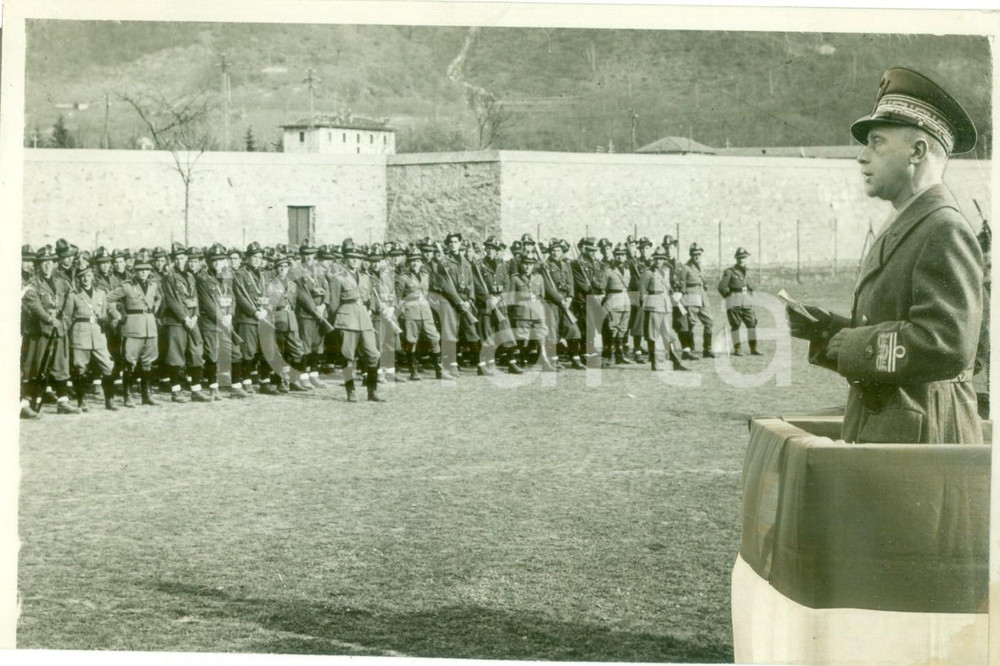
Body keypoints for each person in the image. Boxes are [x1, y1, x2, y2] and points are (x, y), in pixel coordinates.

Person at [786, 66, 984, 444]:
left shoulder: (943, 228)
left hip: (926, 430)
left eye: (876, 142)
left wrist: (857, 343)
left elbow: (950, 343)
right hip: (898, 424)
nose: (862, 157)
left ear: (917, 151)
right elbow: (895, 322)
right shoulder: (909, 222)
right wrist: (829, 330)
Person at [23, 244, 77, 414]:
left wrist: (64, 322)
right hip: (40, 331)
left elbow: (69, 304)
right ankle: (25, 403)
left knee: (61, 366)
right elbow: (34, 304)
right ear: (38, 264)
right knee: (35, 367)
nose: (47, 265)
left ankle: (62, 402)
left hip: (59, 330)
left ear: (54, 263)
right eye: (43, 262)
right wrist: (49, 319)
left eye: (50, 262)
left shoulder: (62, 282)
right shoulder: (32, 283)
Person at [327, 239, 382, 402]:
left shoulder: (366, 277)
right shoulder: (338, 278)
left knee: (373, 353)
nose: (354, 260)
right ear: (345, 259)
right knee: (347, 356)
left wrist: (371, 309)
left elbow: (371, 296)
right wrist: (336, 324)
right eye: (351, 257)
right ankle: (350, 391)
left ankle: (373, 391)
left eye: (357, 257)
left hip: (364, 318)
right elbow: (334, 304)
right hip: (347, 319)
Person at [63, 257, 120, 411]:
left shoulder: (101, 294)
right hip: (79, 334)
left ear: (92, 276)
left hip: (97, 334)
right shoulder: (73, 295)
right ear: (78, 279)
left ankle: (110, 401)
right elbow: (67, 317)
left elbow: (103, 315)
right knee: (80, 367)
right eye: (82, 276)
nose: (86, 279)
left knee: (108, 365)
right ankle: (82, 401)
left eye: (88, 275)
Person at [107, 256, 162, 406]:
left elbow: (158, 298)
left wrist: (155, 307)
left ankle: (146, 395)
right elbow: (109, 299)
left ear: (150, 271)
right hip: (132, 327)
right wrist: (117, 315)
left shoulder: (153, 285)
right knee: (129, 362)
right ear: (135, 271)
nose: (143, 272)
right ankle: (127, 395)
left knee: (148, 362)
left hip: (150, 327)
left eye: (146, 269)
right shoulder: (127, 286)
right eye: (140, 270)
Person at [160, 242, 211, 403]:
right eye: (177, 258)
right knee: (175, 356)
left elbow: (195, 298)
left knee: (197, 352)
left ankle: (196, 390)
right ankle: (176, 391)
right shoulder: (168, 277)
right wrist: (185, 318)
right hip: (176, 321)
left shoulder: (190, 276)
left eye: (183, 257)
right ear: (173, 260)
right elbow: (172, 301)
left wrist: (194, 316)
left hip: (192, 319)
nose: (181, 261)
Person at [638, 247, 689, 371]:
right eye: (657, 258)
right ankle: (654, 362)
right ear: (653, 259)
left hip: (666, 306)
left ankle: (675, 361)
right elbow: (642, 292)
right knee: (653, 335)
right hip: (653, 306)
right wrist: (645, 306)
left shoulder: (666, 271)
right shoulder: (647, 272)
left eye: (661, 259)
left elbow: (668, 288)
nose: (659, 261)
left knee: (668, 335)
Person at [718, 247, 761, 356]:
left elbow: (752, 286)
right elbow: (722, 287)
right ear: (736, 259)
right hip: (734, 303)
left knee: (752, 324)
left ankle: (753, 348)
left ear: (747, 259)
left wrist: (750, 297)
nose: (741, 260)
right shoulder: (729, 272)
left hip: (747, 302)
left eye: (744, 258)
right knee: (735, 325)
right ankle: (738, 349)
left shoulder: (749, 272)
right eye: (739, 258)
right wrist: (729, 298)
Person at [682, 242, 716, 358]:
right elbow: (683, 285)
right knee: (691, 323)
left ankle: (707, 348)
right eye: (695, 254)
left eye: (699, 254)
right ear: (691, 255)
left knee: (709, 321)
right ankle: (689, 348)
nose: (697, 257)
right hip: (691, 295)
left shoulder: (701, 266)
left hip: (702, 295)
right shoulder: (686, 267)